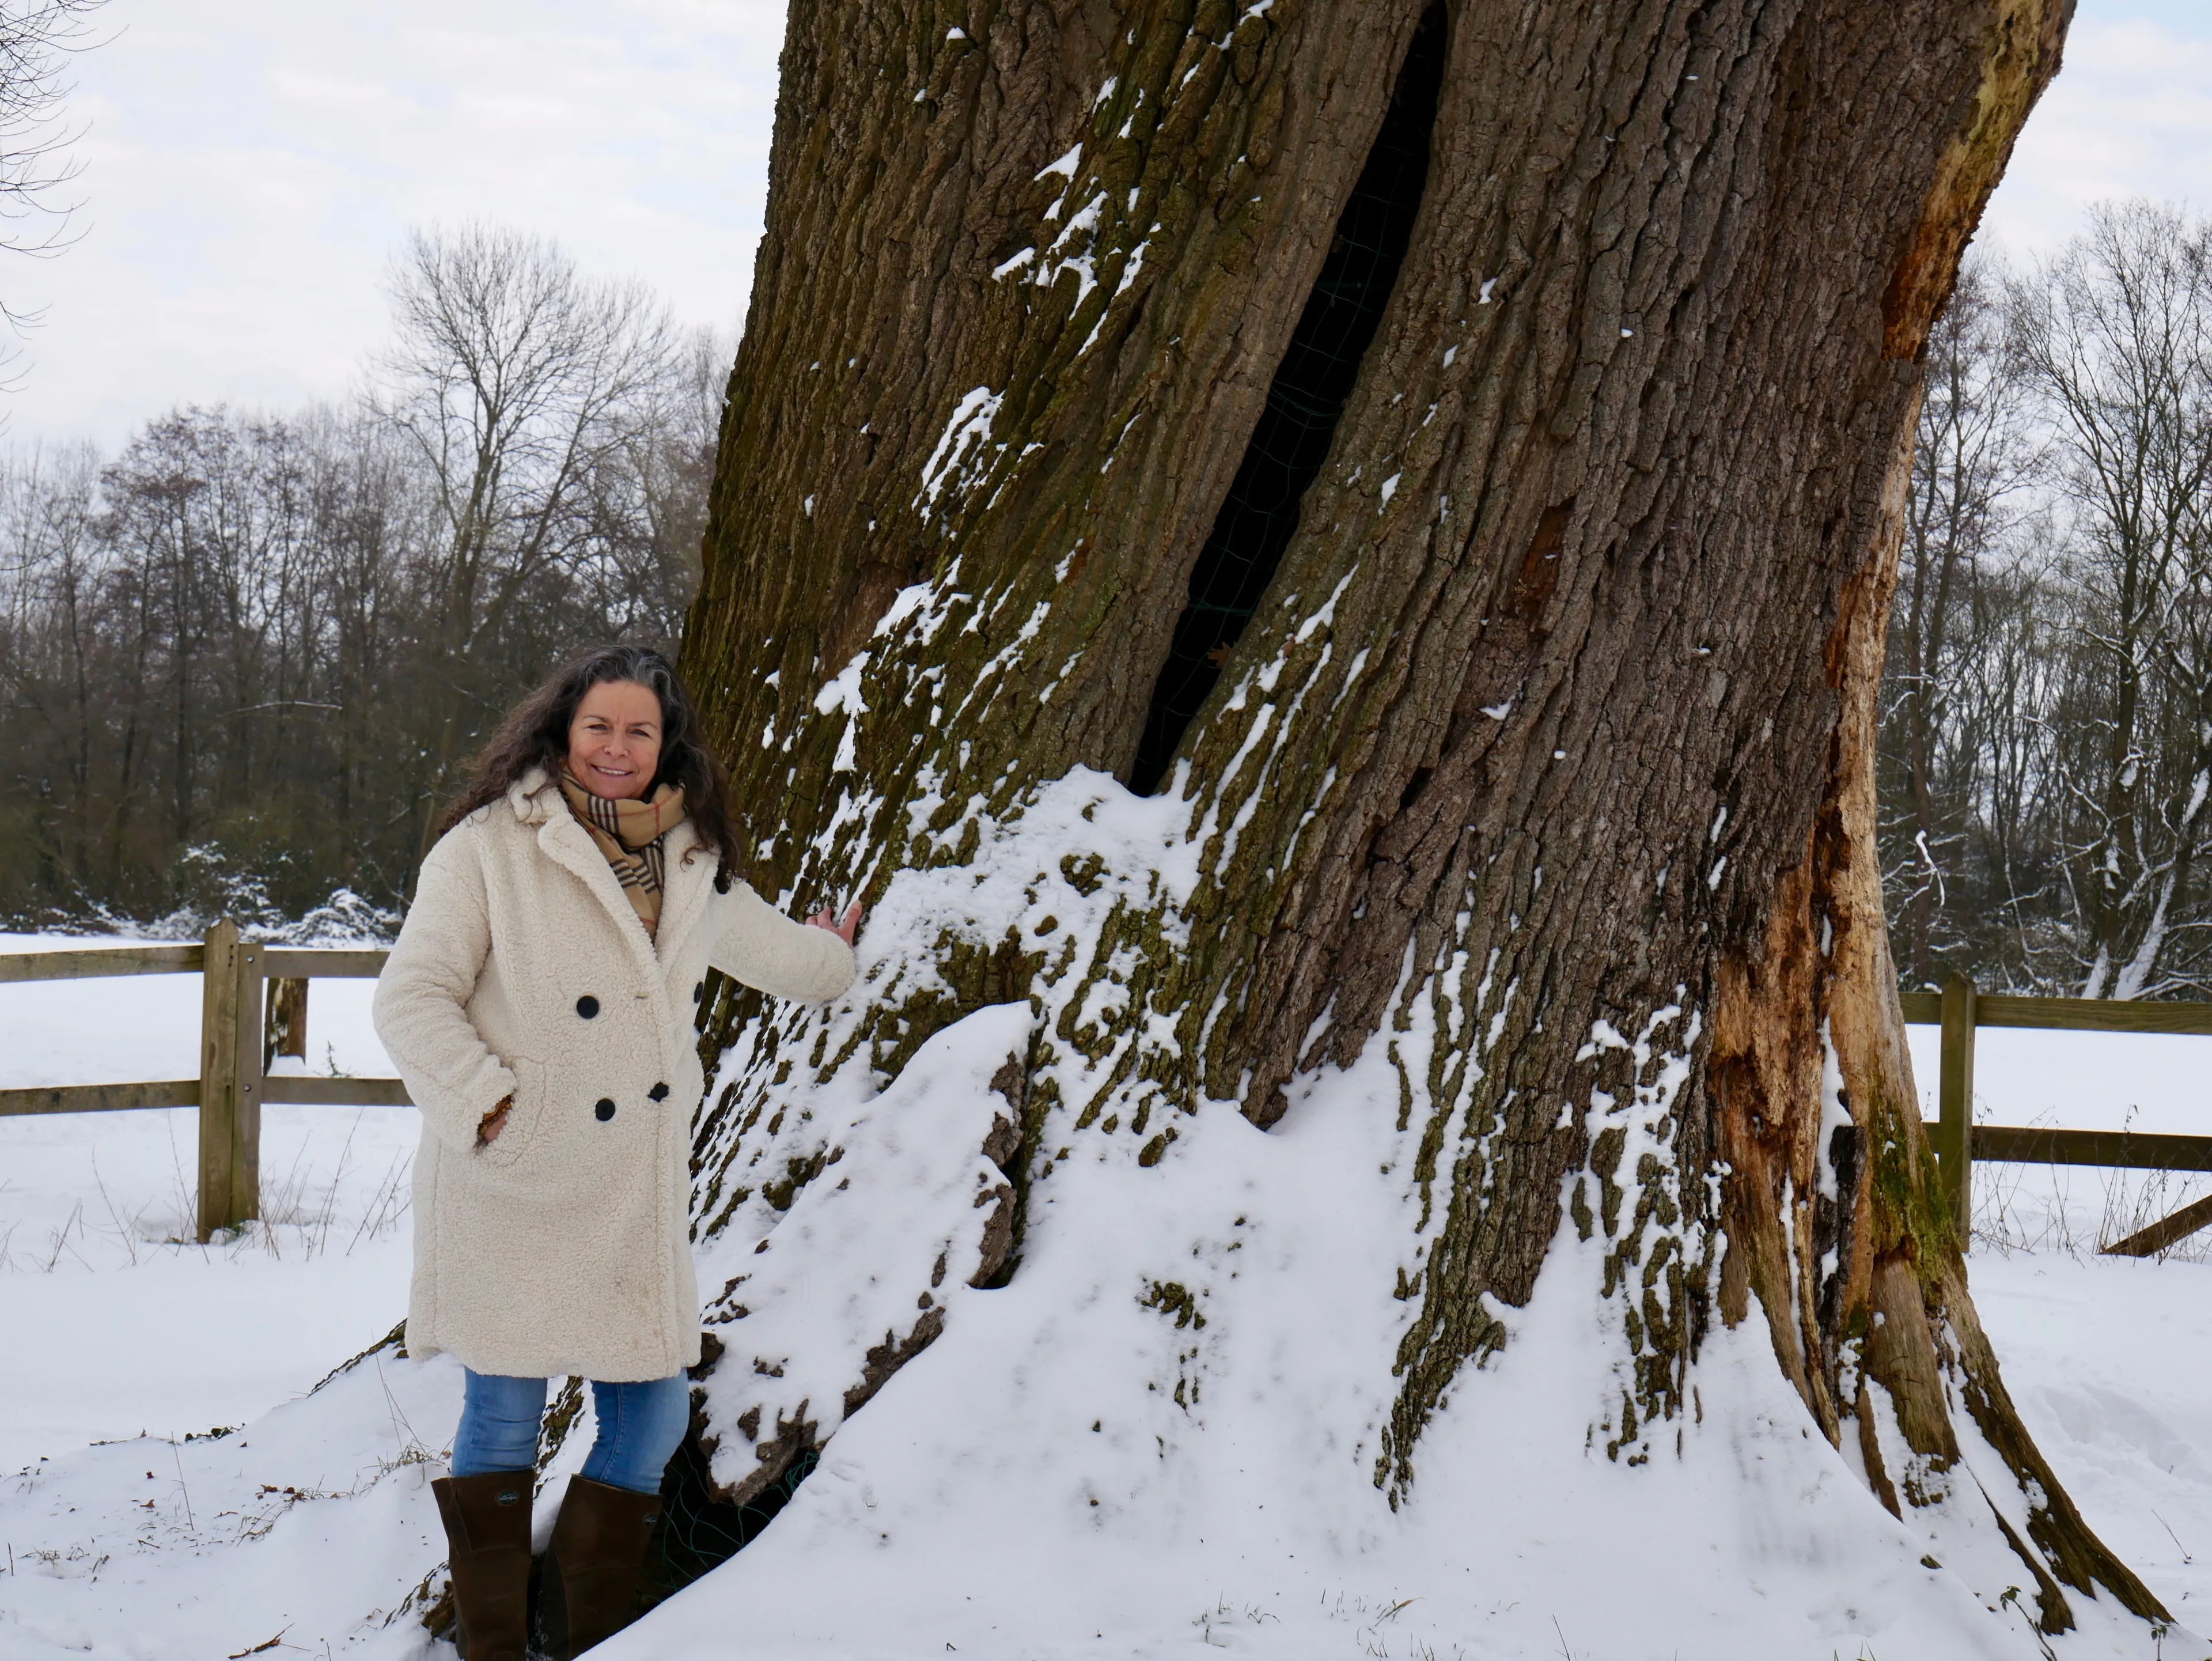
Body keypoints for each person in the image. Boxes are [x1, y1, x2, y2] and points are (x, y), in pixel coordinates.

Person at [373, 644, 859, 1660]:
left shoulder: (688, 858)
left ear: (665, 743)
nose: (617, 748)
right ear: (562, 731)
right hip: (515, 1181)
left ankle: (585, 1636)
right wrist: (493, 1105)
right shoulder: (489, 849)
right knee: (503, 1420)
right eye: (599, 726)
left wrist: (837, 950)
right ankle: (495, 1645)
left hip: (630, 1197)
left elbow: (780, 955)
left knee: (649, 1422)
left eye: (640, 730)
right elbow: (409, 997)